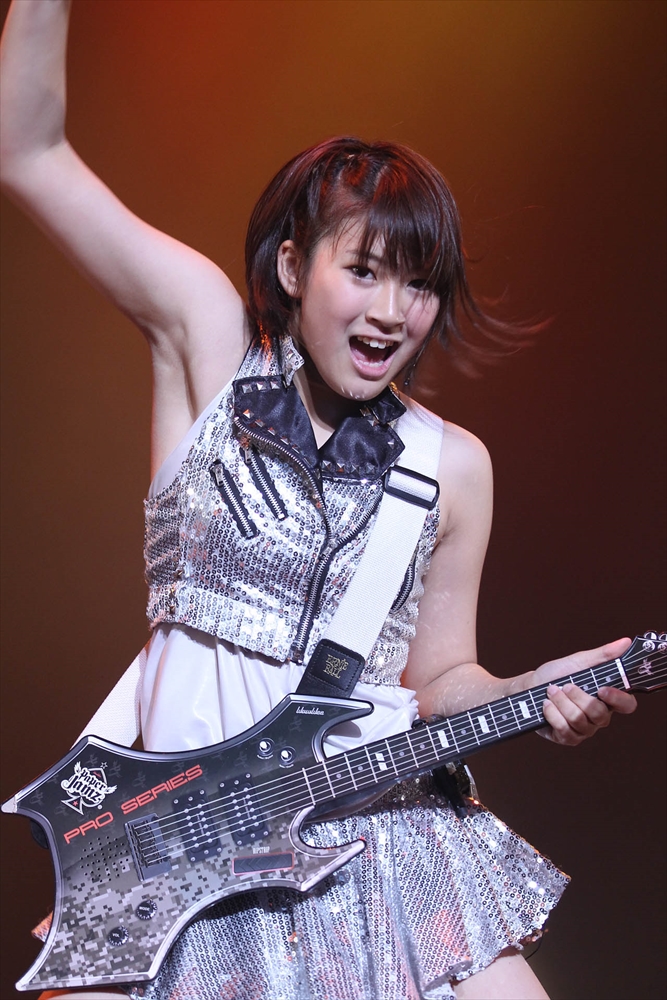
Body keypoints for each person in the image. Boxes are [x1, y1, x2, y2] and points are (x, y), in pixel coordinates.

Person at [0, 2, 638, 999]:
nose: (391, 312)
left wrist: (535, 689)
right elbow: (26, 147)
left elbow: (441, 679)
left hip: (379, 841)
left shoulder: (449, 465)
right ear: (294, 268)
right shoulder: (210, 349)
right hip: (182, 856)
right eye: (364, 271)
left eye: (418, 284)